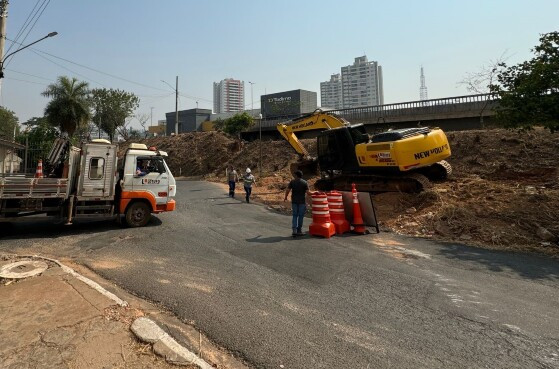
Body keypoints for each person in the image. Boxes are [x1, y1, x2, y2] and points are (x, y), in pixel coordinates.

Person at [284, 170, 310, 237]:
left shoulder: (292, 182)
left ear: (296, 175)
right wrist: (316, 192)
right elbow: (308, 193)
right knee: (300, 216)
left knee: (295, 215)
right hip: (302, 202)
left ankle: (294, 230)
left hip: (294, 201)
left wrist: (286, 197)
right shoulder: (305, 182)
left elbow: (288, 190)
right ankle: (299, 230)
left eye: (295, 175)